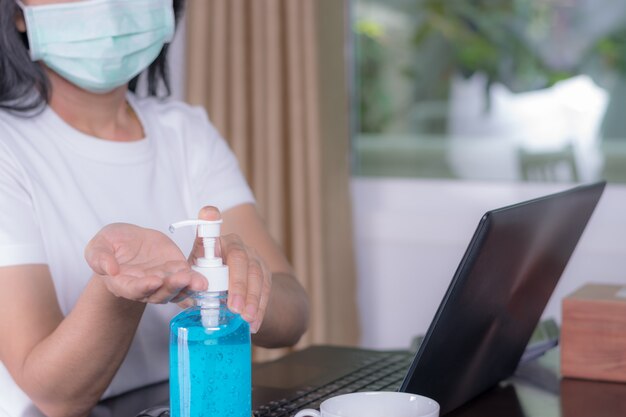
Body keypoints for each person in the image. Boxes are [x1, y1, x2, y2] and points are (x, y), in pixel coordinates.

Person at [0, 0, 310, 416]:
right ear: (16, 13)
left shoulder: (187, 132)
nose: (108, 7)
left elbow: (292, 313)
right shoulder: (8, 148)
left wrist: (236, 285)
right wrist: (121, 288)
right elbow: (55, 397)